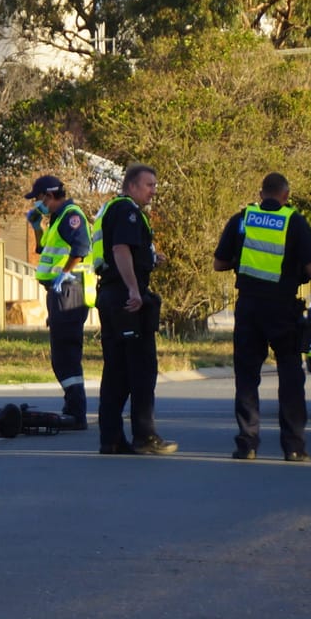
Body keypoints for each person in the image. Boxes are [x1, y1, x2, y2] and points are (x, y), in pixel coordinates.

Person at [213, 171, 311, 462]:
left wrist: (244, 261)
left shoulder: (243, 219)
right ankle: (293, 446)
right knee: (290, 377)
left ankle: (247, 444)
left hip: (249, 307)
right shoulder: (294, 221)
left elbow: (219, 263)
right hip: (282, 309)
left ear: (261, 193)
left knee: (247, 377)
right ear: (285, 195)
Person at [94, 164, 176, 457]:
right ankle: (145, 436)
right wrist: (133, 289)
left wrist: (152, 259)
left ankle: (112, 439)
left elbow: (126, 251)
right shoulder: (128, 211)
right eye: (149, 185)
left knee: (116, 370)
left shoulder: (111, 209)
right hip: (125, 298)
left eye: (155, 185)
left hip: (109, 295)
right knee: (141, 369)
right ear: (131, 186)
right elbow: (120, 250)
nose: (153, 190)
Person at [27, 174, 94, 425]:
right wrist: (36, 228)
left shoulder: (71, 215)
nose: (37, 204)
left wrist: (64, 273)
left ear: (49, 195)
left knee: (65, 353)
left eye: (38, 199)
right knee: (62, 352)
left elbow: (81, 248)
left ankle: (77, 411)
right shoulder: (57, 218)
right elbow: (45, 250)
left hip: (69, 290)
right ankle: (73, 405)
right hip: (60, 293)